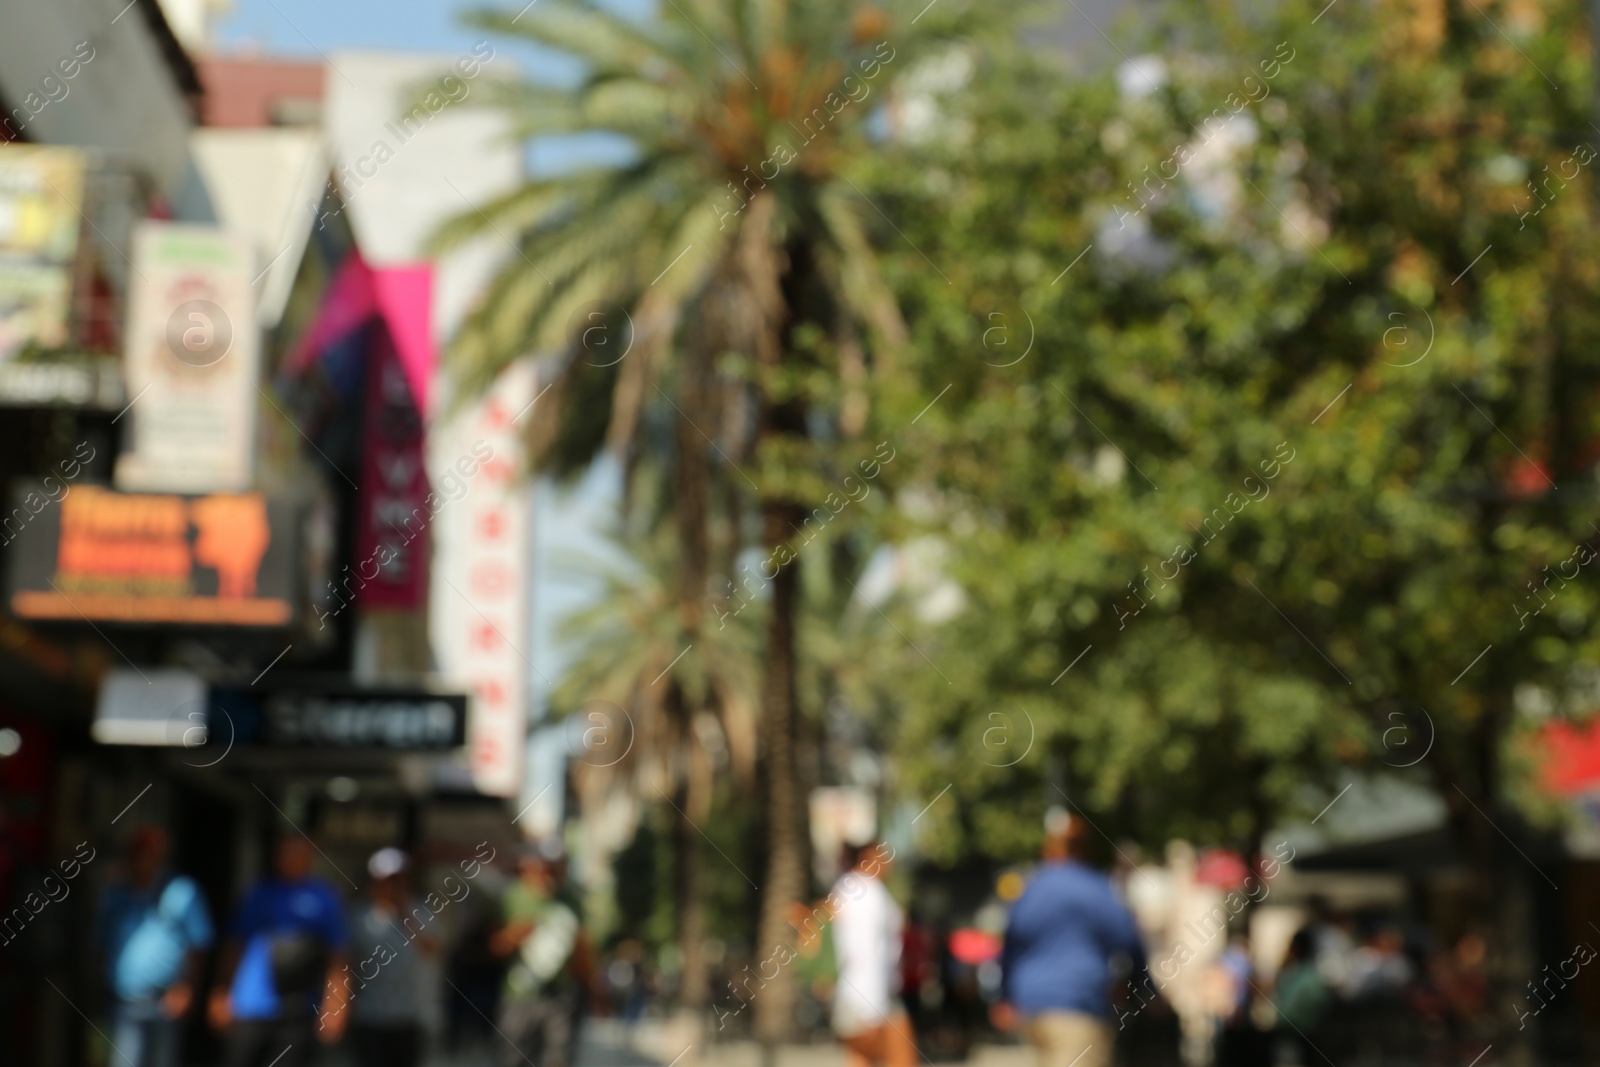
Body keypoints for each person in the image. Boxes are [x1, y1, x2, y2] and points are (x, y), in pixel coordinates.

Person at [992, 810, 1145, 1067]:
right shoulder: (1096, 889)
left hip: (1033, 1010)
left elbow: (1010, 946)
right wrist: (1142, 986)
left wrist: (1004, 997)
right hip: (1078, 1008)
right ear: (1084, 848)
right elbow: (1130, 941)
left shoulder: (1030, 889)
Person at [208, 836, 350, 1067]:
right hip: (250, 1006)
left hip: (298, 1010)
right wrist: (221, 992)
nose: (291, 858)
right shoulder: (257, 895)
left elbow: (337, 958)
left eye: (298, 852)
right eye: (285, 852)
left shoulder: (324, 899)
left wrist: (335, 1006)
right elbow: (234, 947)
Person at [95, 827, 215, 1067]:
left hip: (164, 1003)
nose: (145, 860)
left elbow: (199, 944)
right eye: (139, 853)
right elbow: (100, 945)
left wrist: (187, 988)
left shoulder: (182, 892)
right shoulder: (116, 895)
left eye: (153, 854)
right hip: (123, 1002)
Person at [489, 842, 594, 1067]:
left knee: (557, 1058)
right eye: (546, 866)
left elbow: (583, 949)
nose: (550, 872)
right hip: (519, 996)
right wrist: (512, 937)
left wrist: (593, 988)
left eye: (556, 866)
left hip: (559, 997)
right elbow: (492, 948)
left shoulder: (571, 900)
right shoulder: (512, 897)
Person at [345, 848, 436, 1067]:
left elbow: (432, 950)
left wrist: (404, 913)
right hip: (370, 1017)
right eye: (387, 880)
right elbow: (346, 964)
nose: (393, 887)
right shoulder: (359, 917)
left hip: (408, 1017)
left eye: (398, 880)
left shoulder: (421, 914)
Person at [829, 840, 915, 1067]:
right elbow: (867, 951)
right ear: (869, 857)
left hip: (856, 994)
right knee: (901, 1058)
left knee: (860, 1059)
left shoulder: (848, 887)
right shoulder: (868, 892)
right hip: (872, 996)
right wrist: (872, 1008)